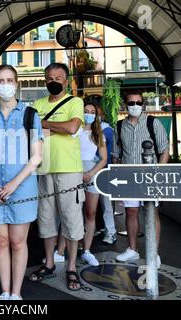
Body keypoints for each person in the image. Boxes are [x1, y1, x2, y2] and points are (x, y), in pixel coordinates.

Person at [0, 64, 43, 300]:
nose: (5, 85)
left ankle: (16, 293)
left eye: (9, 80)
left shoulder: (30, 115)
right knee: (0, 241)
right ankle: (5, 292)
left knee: (17, 241)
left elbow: (36, 156)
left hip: (22, 188)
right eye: (0, 81)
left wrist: (14, 183)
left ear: (16, 84)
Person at [28, 63, 85, 291]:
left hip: (69, 169)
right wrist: (53, 126)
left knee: (71, 219)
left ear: (66, 80)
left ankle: (71, 267)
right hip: (43, 168)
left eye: (58, 77)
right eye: (50, 77)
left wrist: (45, 124)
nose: (54, 81)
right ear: (45, 80)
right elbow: (32, 131)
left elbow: (72, 128)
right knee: (46, 219)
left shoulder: (75, 102)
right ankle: (49, 263)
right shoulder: (37, 104)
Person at [112, 89, 169, 267]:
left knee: (151, 212)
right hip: (129, 176)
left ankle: (154, 253)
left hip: (151, 176)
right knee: (131, 212)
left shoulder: (154, 123)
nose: (135, 106)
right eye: (131, 103)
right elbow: (117, 154)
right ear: (125, 105)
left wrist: (158, 173)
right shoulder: (119, 126)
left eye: (138, 102)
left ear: (142, 104)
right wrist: (118, 174)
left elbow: (164, 150)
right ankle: (132, 249)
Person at [79, 99, 107, 266]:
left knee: (90, 212)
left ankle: (87, 250)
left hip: (91, 173)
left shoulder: (98, 134)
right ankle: (61, 250)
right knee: (71, 213)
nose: (88, 114)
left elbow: (103, 159)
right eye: (86, 111)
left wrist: (90, 173)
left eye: (92, 112)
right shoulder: (74, 131)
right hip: (74, 171)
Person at [95, 101, 117, 244]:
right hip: (89, 171)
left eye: (96, 114)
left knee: (106, 204)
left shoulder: (107, 131)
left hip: (104, 172)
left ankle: (111, 232)